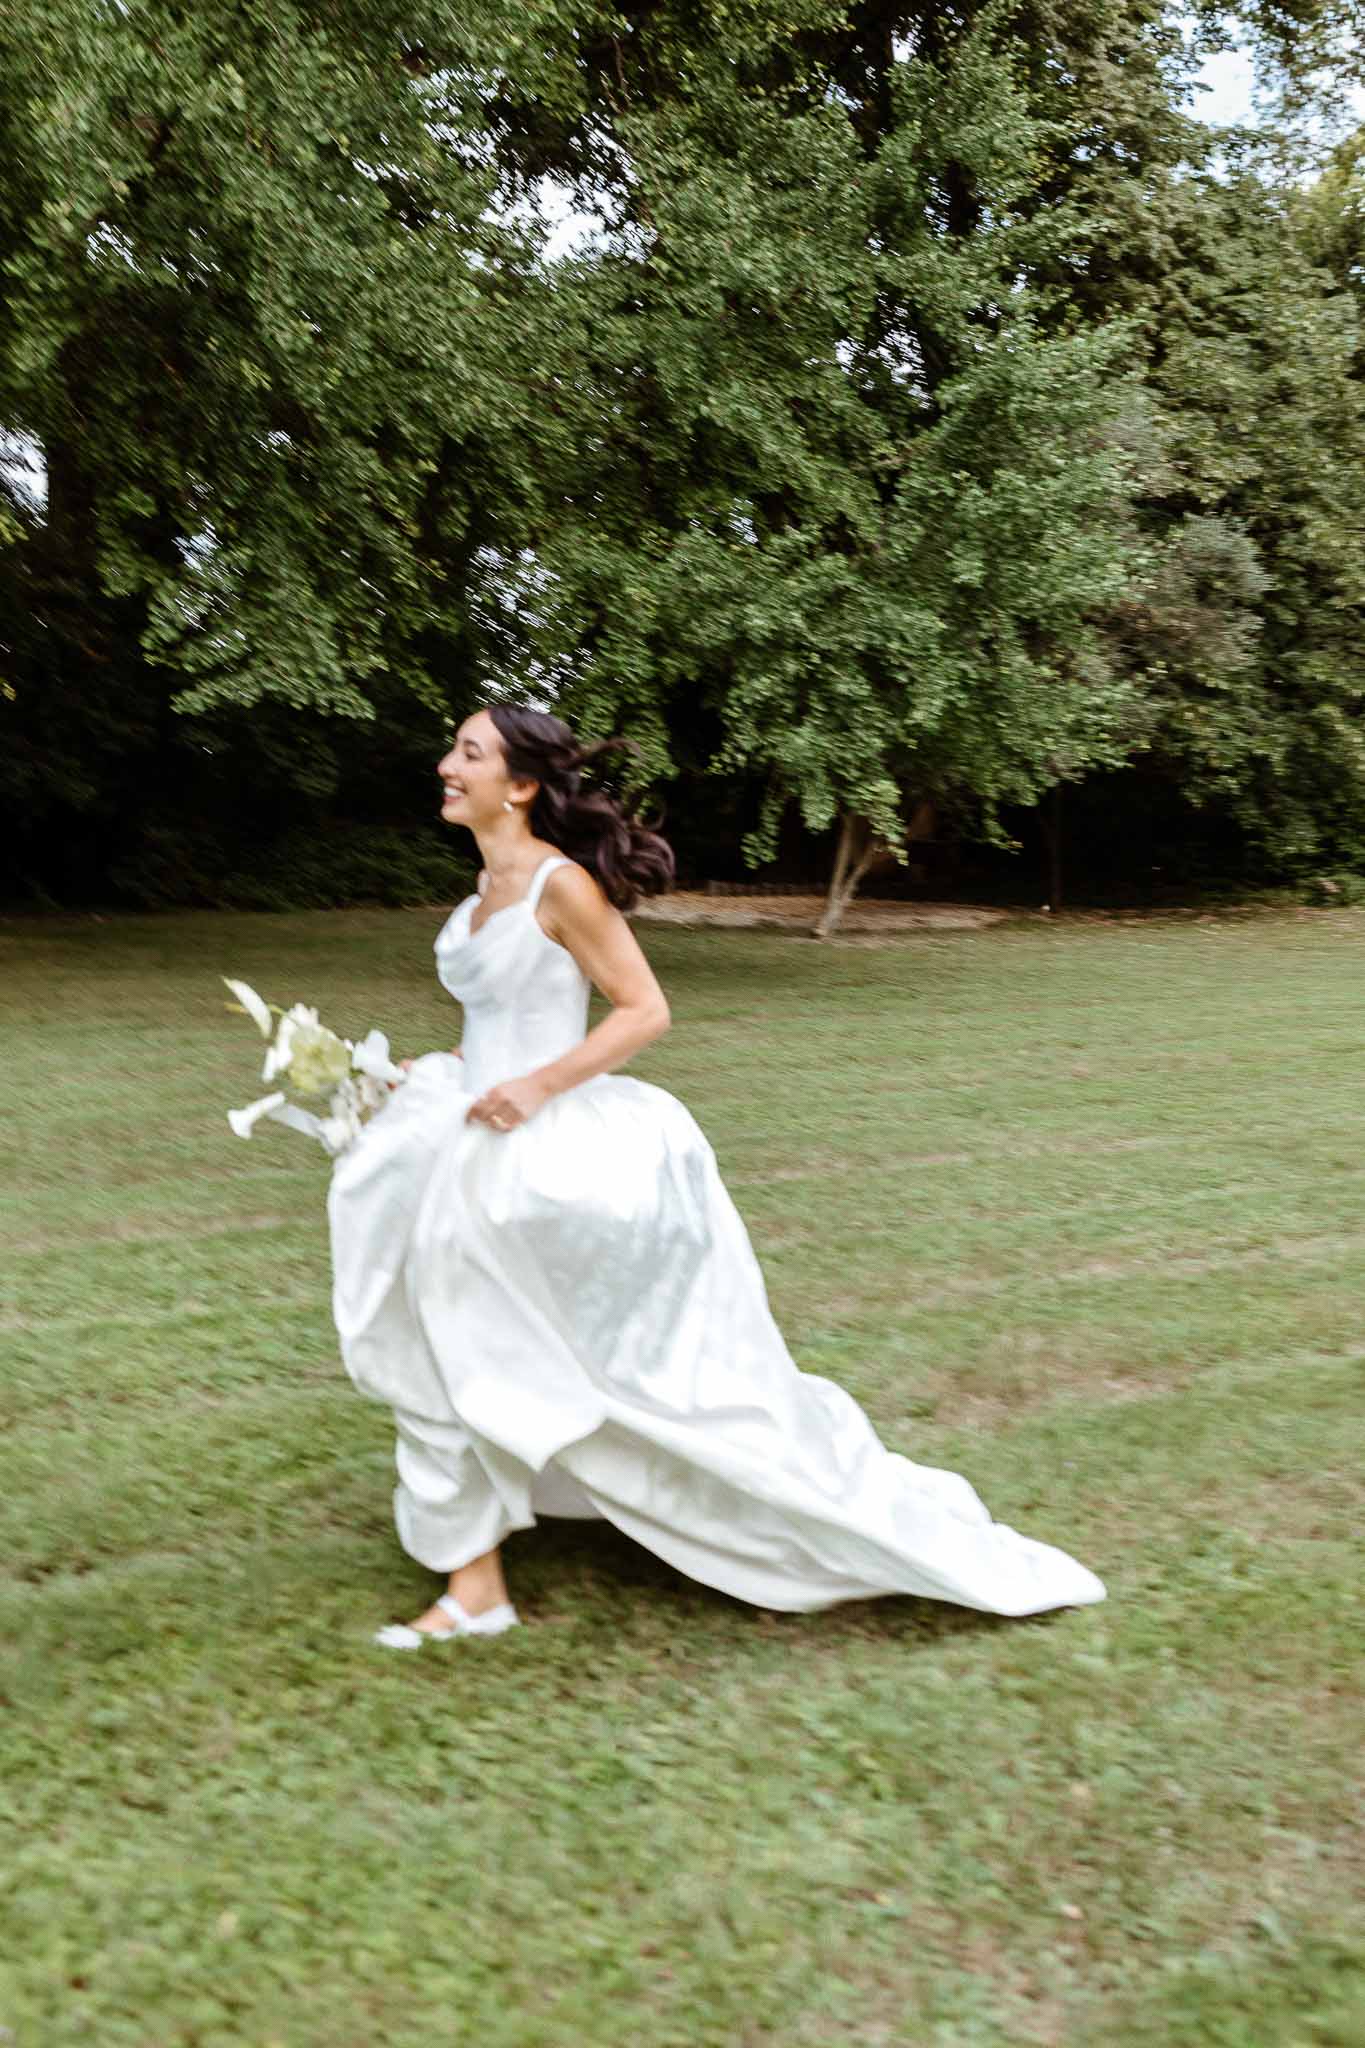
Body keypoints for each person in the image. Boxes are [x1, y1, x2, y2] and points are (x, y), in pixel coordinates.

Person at [326, 704, 1106, 1646]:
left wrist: (536, 1085)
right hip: (469, 1135)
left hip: (545, 1152)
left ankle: (569, 1550)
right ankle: (477, 1580)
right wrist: (427, 1069)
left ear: (521, 784)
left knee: (541, 1357)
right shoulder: (479, 892)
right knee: (452, 1340)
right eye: (453, 746)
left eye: (470, 752)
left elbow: (642, 1009)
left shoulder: (561, 885)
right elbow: (500, 1014)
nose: (446, 763)